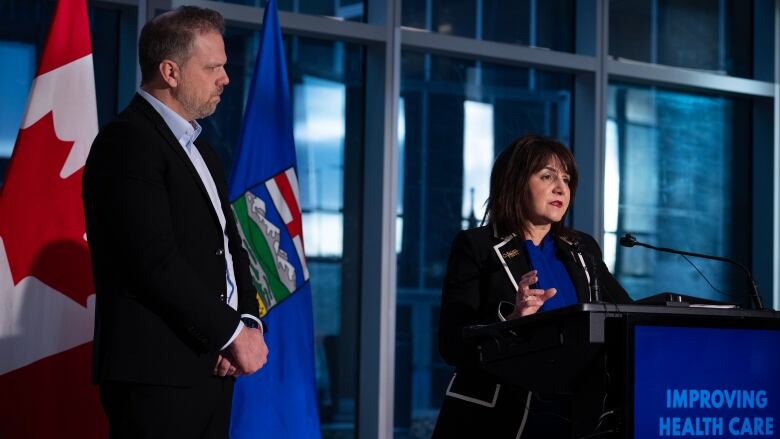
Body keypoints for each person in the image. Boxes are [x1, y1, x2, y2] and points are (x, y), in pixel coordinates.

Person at [83, 6, 268, 438]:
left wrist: (245, 323)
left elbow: (231, 246)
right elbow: (152, 261)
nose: (225, 77)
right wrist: (229, 334)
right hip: (156, 375)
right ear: (170, 71)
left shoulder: (201, 148)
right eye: (213, 67)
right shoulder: (126, 142)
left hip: (212, 366)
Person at [432, 134, 631, 438]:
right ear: (515, 181)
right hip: (499, 415)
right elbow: (452, 344)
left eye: (566, 179)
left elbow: (626, 314)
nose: (561, 188)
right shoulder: (477, 246)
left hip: (576, 414)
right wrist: (510, 322)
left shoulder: (581, 248)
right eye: (547, 176)